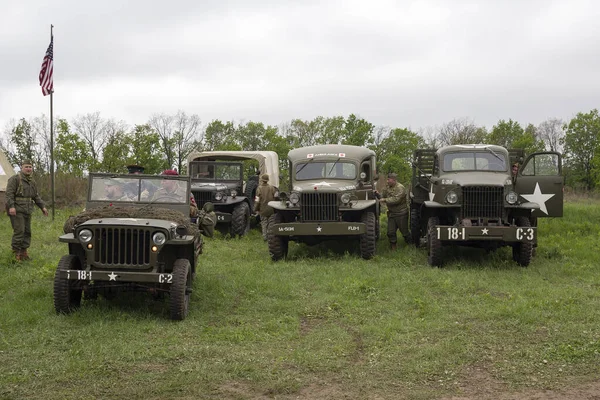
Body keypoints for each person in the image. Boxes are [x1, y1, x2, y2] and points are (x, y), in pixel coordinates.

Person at [5, 159, 48, 261]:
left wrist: (42, 207)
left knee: (27, 232)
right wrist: (11, 206)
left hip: (27, 210)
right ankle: (15, 254)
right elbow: (9, 194)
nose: (28, 169)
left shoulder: (32, 181)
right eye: (26, 167)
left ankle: (23, 252)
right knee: (19, 231)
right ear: (21, 168)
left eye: (30, 167)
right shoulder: (15, 179)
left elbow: (35, 196)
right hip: (17, 210)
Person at [375, 172, 409, 250]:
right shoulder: (387, 188)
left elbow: (396, 199)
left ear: (394, 180)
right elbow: (382, 197)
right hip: (392, 214)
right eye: (387, 179)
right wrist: (377, 194)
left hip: (401, 213)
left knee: (405, 233)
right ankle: (393, 247)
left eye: (389, 179)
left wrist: (385, 200)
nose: (387, 181)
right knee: (390, 232)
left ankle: (410, 245)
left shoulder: (400, 188)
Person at [254, 173, 277, 241]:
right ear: (267, 180)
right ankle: (271, 236)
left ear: (261, 180)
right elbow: (275, 197)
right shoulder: (272, 188)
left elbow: (257, 200)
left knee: (264, 223)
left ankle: (265, 237)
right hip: (271, 208)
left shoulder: (259, 188)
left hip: (262, 209)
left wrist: (255, 208)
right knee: (271, 223)